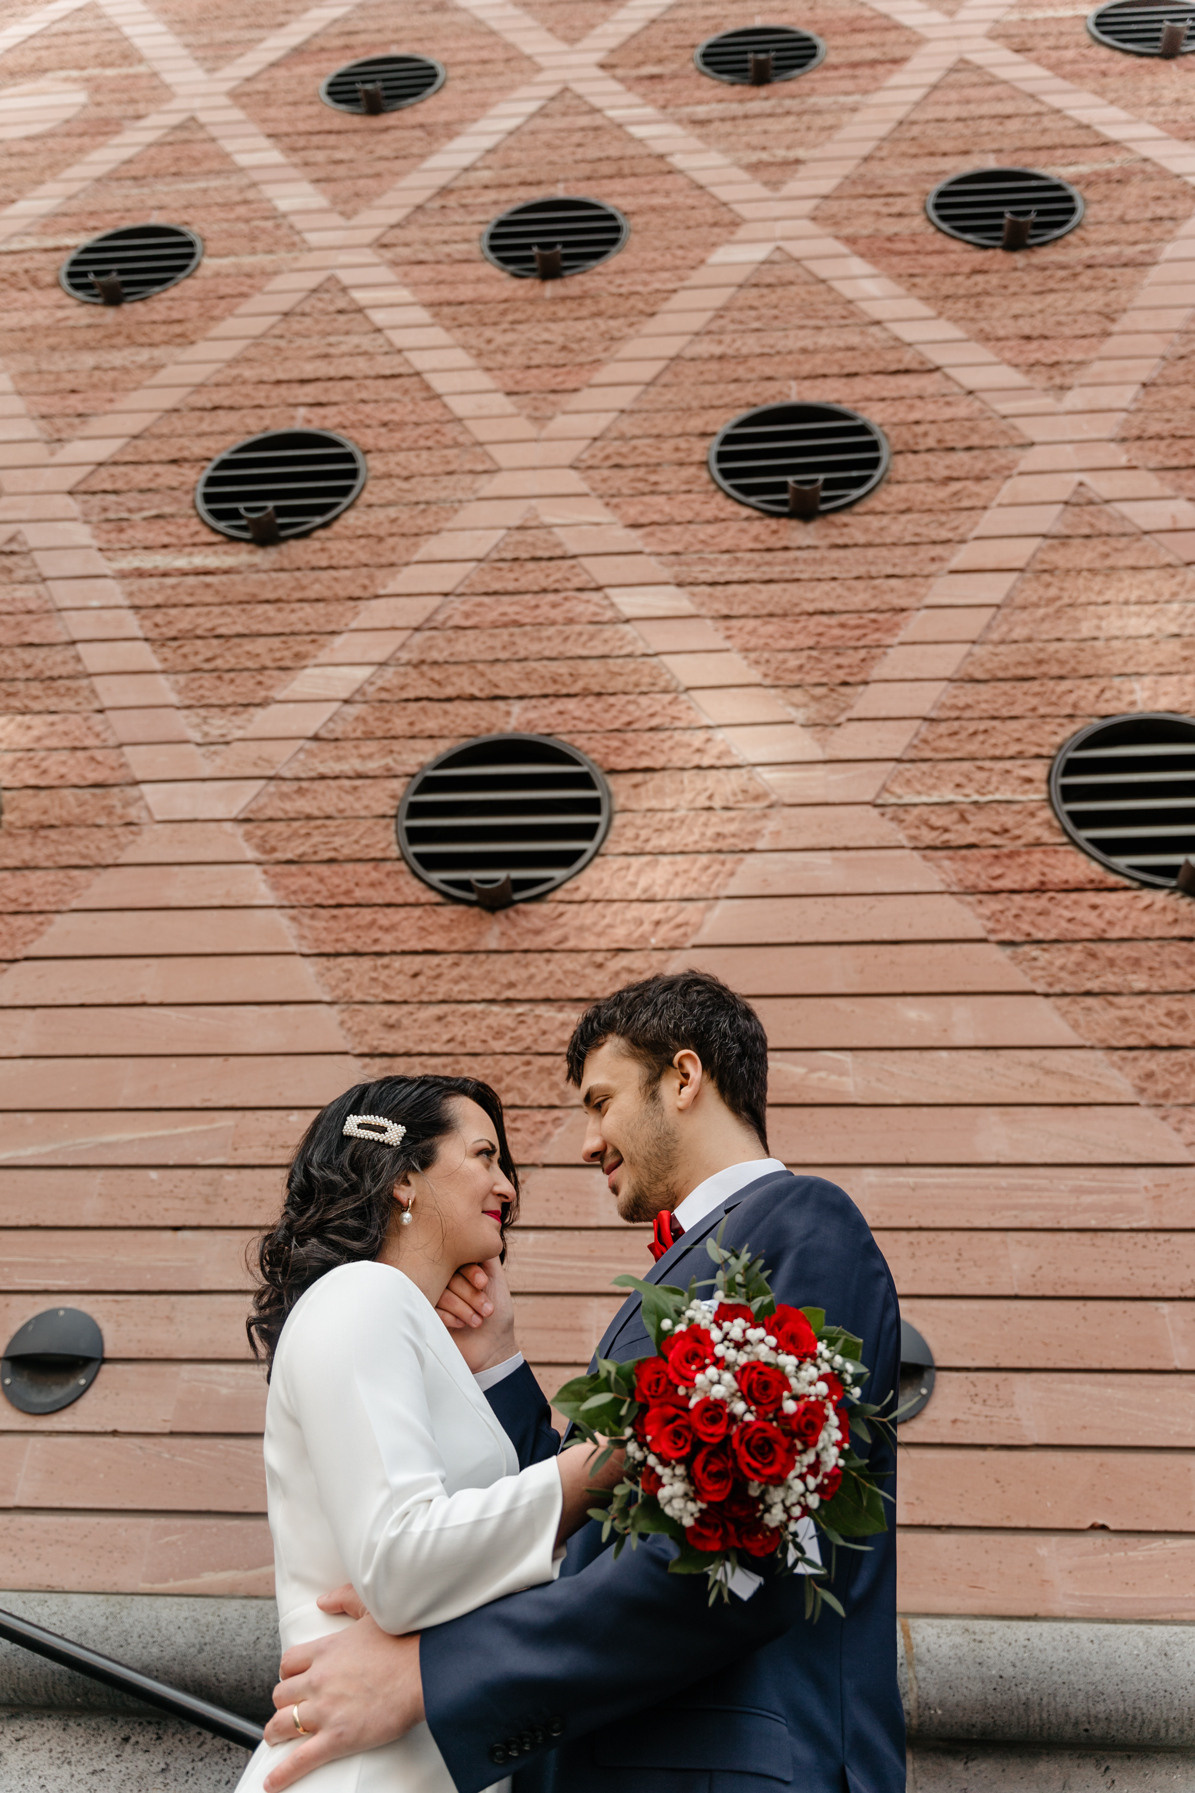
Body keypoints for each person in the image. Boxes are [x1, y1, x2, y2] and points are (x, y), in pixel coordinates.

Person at [261, 971, 906, 1793]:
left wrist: (434, 1670)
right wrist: (499, 1363)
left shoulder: (801, 1223)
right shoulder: (689, 1265)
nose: (586, 1141)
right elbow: (592, 1530)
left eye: (601, 1101)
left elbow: (744, 1533)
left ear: (683, 1077)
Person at [236, 1073, 624, 1793]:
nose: (506, 1185)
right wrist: (604, 1463)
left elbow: (460, 1556)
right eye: (484, 1155)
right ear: (403, 1177)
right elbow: (401, 1562)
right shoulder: (361, 1293)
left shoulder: (405, 1324)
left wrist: (494, 1350)